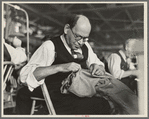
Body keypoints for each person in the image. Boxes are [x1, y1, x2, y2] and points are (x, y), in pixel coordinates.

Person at [16, 14, 111, 115]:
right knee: (100, 105)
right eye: (78, 36)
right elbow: (25, 77)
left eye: (85, 38)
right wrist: (59, 67)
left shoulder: (85, 46)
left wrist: (97, 66)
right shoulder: (50, 46)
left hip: (79, 92)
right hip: (59, 97)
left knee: (107, 102)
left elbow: (96, 62)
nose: (81, 42)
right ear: (66, 29)